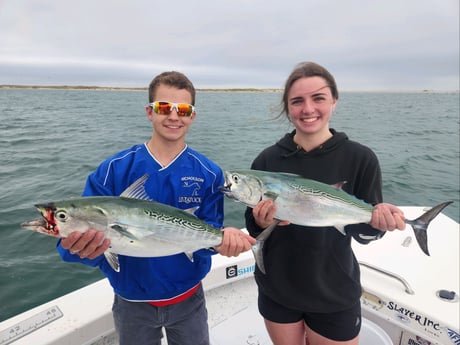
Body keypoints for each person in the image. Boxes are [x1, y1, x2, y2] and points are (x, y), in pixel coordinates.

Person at [57, 71, 255, 345]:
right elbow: (75, 243)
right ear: (150, 112)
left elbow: (210, 233)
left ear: (192, 116)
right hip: (131, 303)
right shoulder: (114, 170)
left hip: (189, 299)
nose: (174, 116)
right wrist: (82, 250)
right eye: (164, 108)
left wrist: (224, 241)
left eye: (183, 109)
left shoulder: (209, 172)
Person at [244, 62, 406, 345]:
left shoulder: (360, 158)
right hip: (277, 287)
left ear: (334, 101)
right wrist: (260, 221)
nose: (308, 109)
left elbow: (364, 233)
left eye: (318, 98)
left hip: (334, 289)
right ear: (287, 107)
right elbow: (255, 228)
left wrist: (378, 223)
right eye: (297, 101)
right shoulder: (268, 161)